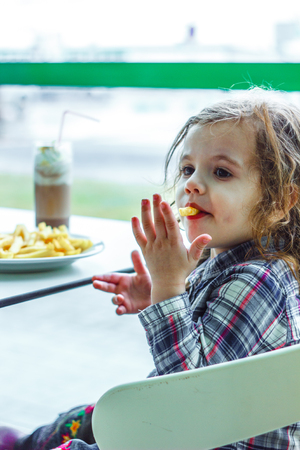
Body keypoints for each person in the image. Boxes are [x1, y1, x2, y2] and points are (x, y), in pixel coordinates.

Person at [5, 87, 300, 450]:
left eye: (221, 172)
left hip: (198, 435)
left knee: (97, 431)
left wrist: (169, 286)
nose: (191, 184)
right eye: (188, 169)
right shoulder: (249, 264)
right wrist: (161, 295)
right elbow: (213, 348)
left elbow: (185, 404)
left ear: (279, 202)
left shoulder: (257, 281)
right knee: (89, 416)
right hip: (191, 430)